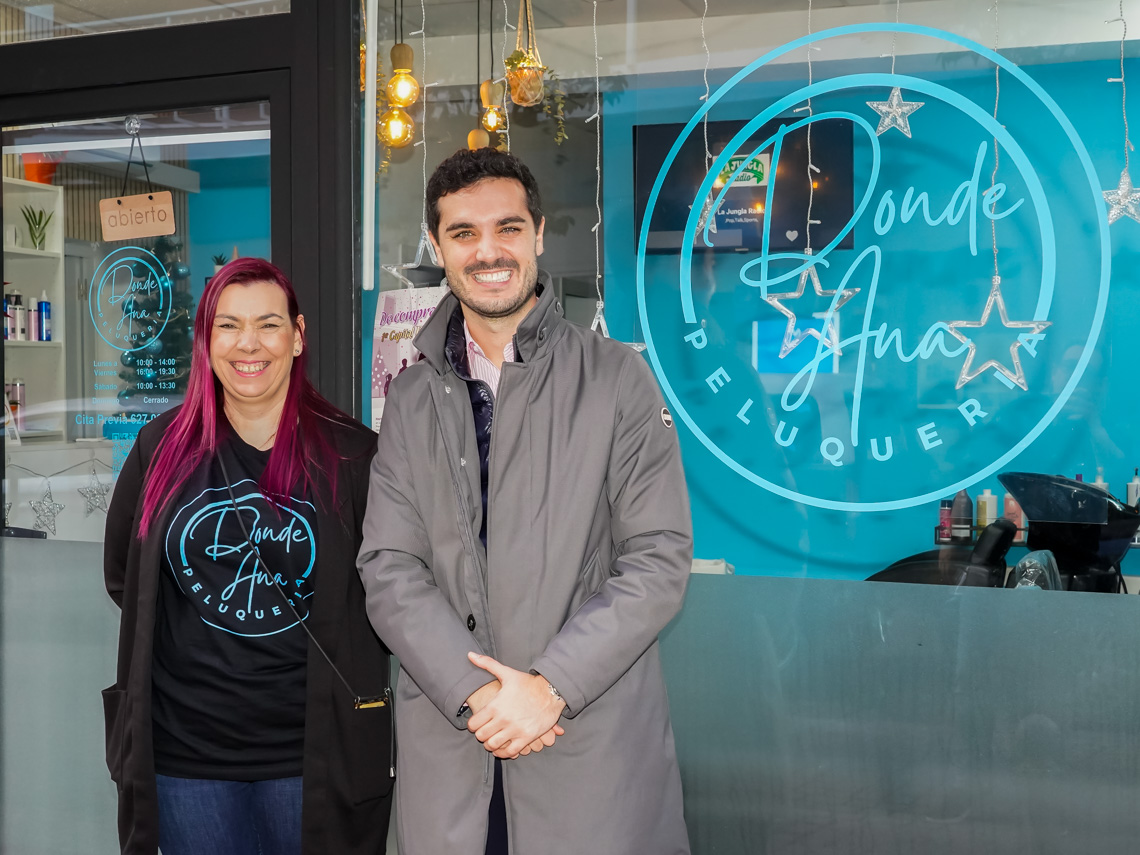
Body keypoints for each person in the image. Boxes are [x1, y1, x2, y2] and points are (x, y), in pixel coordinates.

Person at [357, 147, 693, 854]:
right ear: (438, 248)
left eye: (508, 228)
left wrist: (549, 687)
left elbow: (658, 559)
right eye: (463, 233)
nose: (488, 251)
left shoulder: (616, 380)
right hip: (455, 741)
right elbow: (389, 567)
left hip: (582, 738)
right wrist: (478, 693)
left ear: (539, 234)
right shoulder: (413, 397)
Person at [103, 258, 393, 855]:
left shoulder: (353, 457)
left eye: (267, 323)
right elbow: (124, 578)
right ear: (207, 341)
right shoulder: (160, 448)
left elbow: (390, 592)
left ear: (298, 335)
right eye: (228, 326)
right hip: (187, 756)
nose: (248, 344)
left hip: (314, 755)